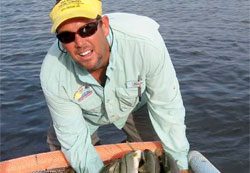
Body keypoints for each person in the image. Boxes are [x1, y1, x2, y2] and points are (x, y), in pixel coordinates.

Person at [40, 0, 190, 172]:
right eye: (66, 36)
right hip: (84, 115)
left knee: (158, 152)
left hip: (135, 102)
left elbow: (167, 109)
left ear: (103, 25)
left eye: (87, 29)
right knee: (65, 154)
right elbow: (74, 142)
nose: (79, 43)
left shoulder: (145, 44)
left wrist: (181, 166)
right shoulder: (53, 74)